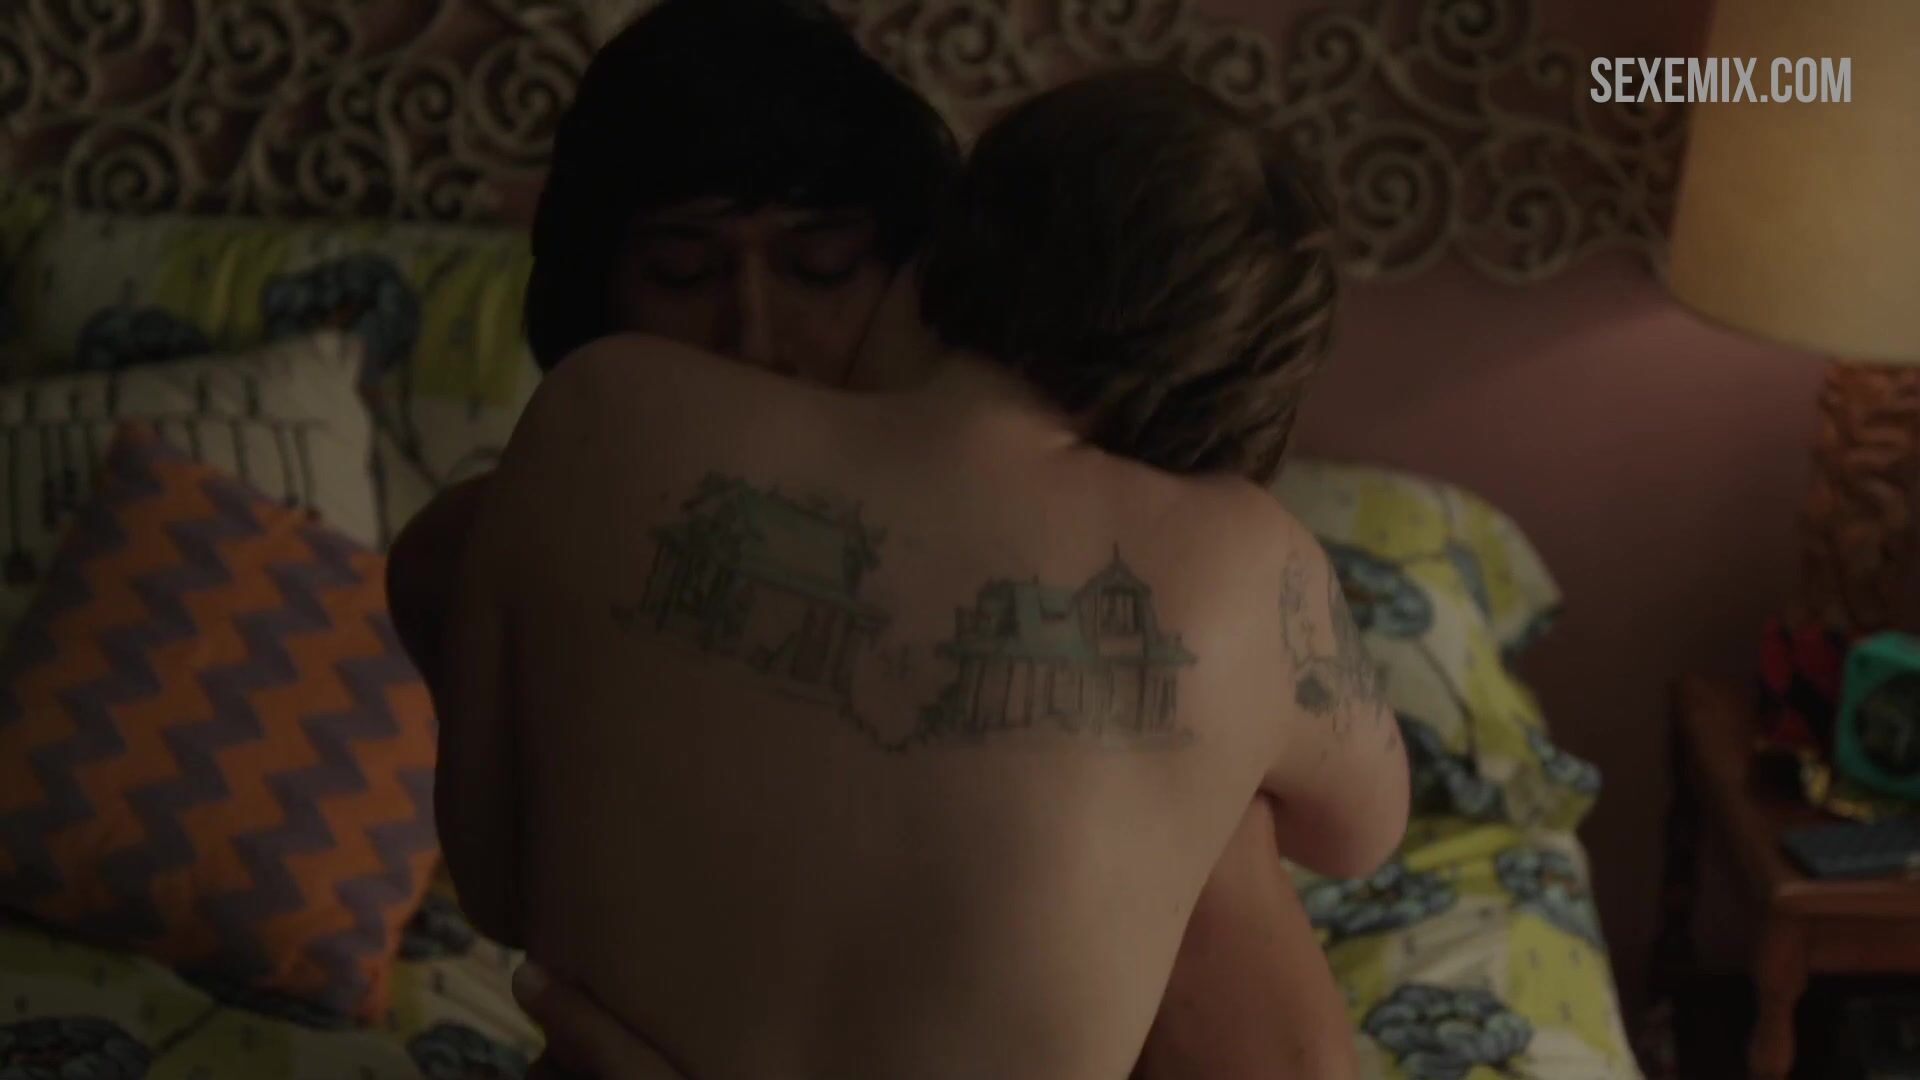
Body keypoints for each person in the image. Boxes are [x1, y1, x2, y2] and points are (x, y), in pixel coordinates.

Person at [417, 54, 1408, 1080]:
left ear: (934, 250)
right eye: (682, 271)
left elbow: (498, 892)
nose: (757, 334)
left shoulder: (596, 408)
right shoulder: (1249, 563)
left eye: (820, 265)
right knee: (1212, 776)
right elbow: (1362, 835)